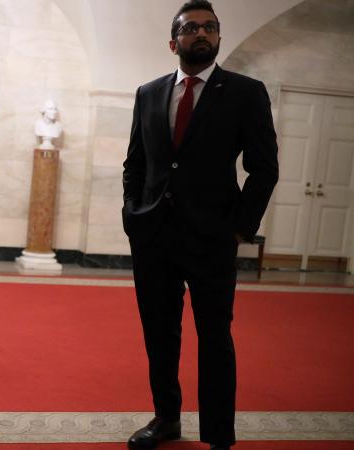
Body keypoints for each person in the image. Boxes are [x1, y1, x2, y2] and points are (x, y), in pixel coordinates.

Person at [121, 1, 278, 449]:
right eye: (191, 28)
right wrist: (133, 213)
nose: (201, 33)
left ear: (219, 38)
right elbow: (136, 161)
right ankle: (166, 418)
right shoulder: (149, 93)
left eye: (210, 27)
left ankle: (218, 434)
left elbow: (264, 168)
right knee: (160, 334)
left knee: (214, 337)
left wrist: (239, 229)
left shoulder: (245, 92)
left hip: (212, 237)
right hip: (153, 235)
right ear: (174, 41)